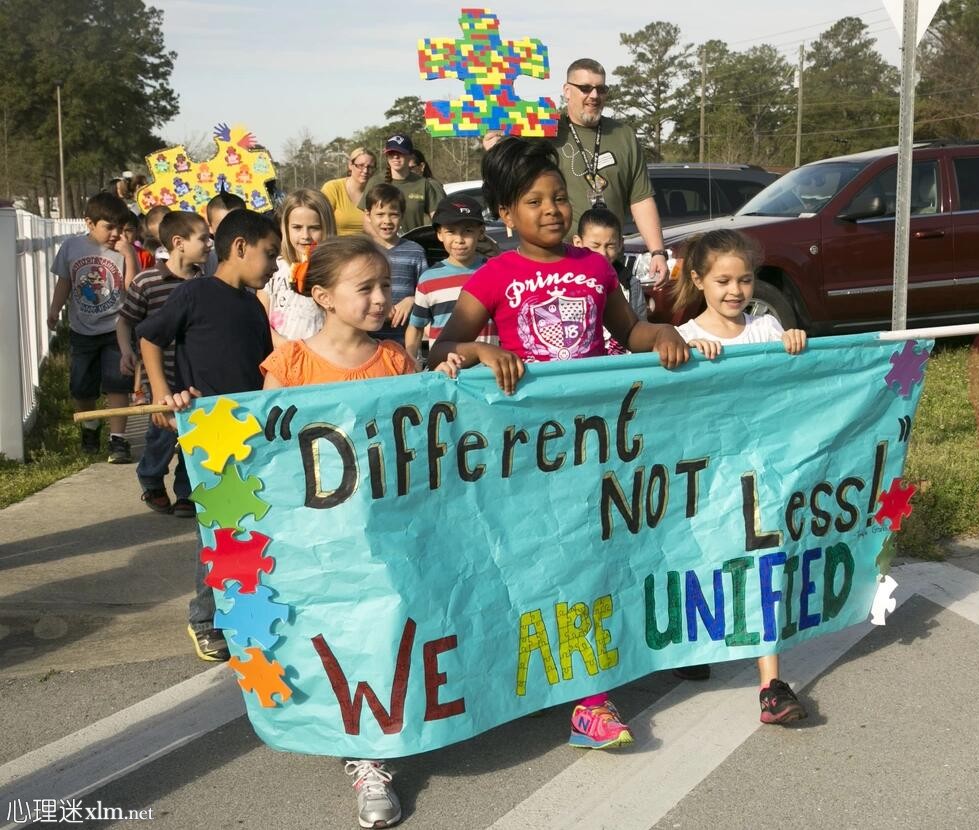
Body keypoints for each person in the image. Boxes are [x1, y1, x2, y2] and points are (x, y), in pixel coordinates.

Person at [428, 137, 690, 748]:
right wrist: (478, 349)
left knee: (584, 563)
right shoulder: (494, 275)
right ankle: (526, 676)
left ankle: (589, 699)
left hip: (592, 449)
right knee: (532, 566)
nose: (552, 209)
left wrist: (665, 333)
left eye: (559, 197)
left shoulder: (596, 268)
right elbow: (439, 350)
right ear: (505, 213)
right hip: (520, 455)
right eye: (534, 200)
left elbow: (631, 333)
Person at [258, 235, 459, 830]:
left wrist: (441, 382)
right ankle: (363, 752)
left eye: (385, 287)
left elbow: (422, 438)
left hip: (387, 534)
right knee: (336, 637)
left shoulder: (396, 360)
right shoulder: (288, 365)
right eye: (365, 288)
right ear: (322, 296)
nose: (381, 299)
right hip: (319, 537)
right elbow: (264, 451)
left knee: (383, 632)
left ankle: (376, 751)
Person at [671, 228, 808, 725]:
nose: (735, 291)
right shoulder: (684, 339)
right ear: (698, 280)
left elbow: (793, 389)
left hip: (761, 473)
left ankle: (771, 684)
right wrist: (688, 365)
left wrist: (794, 346)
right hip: (707, 478)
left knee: (764, 563)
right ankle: (697, 645)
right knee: (706, 558)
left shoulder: (768, 331)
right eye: (723, 280)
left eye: (745, 280)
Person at [136, 209, 280, 662]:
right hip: (210, 431)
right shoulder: (195, 293)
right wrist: (162, 392)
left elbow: (263, 370)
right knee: (218, 530)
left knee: (249, 525)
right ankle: (204, 618)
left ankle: (242, 611)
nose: (275, 266)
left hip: (249, 432)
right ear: (240, 248)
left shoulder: (254, 306)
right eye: (270, 255)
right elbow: (150, 337)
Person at [117, 211, 211, 517]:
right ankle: (151, 478)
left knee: (192, 437)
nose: (210, 243)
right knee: (161, 434)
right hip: (160, 375)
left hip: (192, 375)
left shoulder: (205, 283)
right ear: (179, 243)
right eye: (203, 238)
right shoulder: (147, 281)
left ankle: (186, 492)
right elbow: (126, 321)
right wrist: (126, 352)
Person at [554, 58, 669, 286]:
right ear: (567, 91)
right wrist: (495, 149)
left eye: (601, 89)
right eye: (585, 88)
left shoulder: (622, 135)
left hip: (610, 262)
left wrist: (658, 252)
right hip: (560, 260)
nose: (594, 96)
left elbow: (641, 198)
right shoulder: (548, 131)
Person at [47, 191, 138, 462]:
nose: (115, 234)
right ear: (89, 223)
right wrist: (55, 308)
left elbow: (131, 289)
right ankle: (90, 428)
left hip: (116, 330)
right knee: (81, 388)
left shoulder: (122, 251)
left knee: (117, 385)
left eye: (120, 228)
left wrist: (129, 255)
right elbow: (65, 281)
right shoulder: (72, 247)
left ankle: (118, 440)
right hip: (82, 331)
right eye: (108, 227)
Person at [405, 194, 497, 362]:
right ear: (439, 234)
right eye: (451, 232)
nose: (459, 240)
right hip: (446, 371)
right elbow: (416, 326)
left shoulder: (495, 272)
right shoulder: (428, 280)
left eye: (467, 231)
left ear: (481, 232)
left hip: (489, 371)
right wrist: (411, 360)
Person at [258, 189, 335, 345]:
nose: (305, 235)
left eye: (314, 227)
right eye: (297, 227)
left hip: (321, 356)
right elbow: (260, 318)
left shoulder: (335, 269)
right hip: (280, 355)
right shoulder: (273, 267)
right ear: (285, 228)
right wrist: (283, 346)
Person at [364, 183, 426, 345]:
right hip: (366, 342)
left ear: (402, 215)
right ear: (368, 215)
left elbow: (426, 292)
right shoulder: (360, 252)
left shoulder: (415, 252)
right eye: (380, 214)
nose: (387, 221)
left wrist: (411, 300)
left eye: (393, 214)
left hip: (405, 341)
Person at [365, 134, 445, 234]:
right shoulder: (375, 182)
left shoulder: (423, 184)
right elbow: (366, 220)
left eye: (400, 153)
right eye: (391, 153)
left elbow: (438, 220)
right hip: (381, 247)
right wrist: (380, 243)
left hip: (414, 245)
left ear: (410, 156)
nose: (395, 156)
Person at [322, 147, 377, 236]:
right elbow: (320, 222)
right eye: (360, 165)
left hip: (369, 247)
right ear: (350, 165)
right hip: (338, 247)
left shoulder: (377, 192)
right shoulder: (333, 188)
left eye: (370, 167)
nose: (365, 171)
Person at [204, 191, 246, 277]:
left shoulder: (257, 253)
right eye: (222, 225)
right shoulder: (206, 260)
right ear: (210, 228)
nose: (230, 230)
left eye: (236, 223)